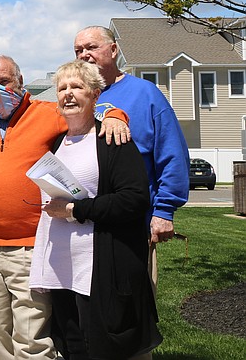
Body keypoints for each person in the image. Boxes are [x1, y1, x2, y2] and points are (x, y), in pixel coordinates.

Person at [0, 54, 131, 360]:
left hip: (31, 247)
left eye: (5, 81)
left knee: (32, 338)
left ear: (20, 81)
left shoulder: (48, 113)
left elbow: (90, 111)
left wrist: (117, 114)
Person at [30, 60, 162, 358]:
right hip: (63, 269)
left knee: (103, 348)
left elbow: (134, 198)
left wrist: (76, 210)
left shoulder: (112, 138)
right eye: (62, 88)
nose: (68, 94)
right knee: (73, 346)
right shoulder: (56, 144)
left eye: (77, 87)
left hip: (101, 268)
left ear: (95, 94)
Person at [74, 26, 189, 285]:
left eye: (91, 47)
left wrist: (164, 211)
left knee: (133, 307)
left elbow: (172, 154)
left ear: (113, 50)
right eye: (78, 50)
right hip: (82, 226)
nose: (83, 55)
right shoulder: (76, 98)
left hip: (133, 225)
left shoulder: (144, 93)